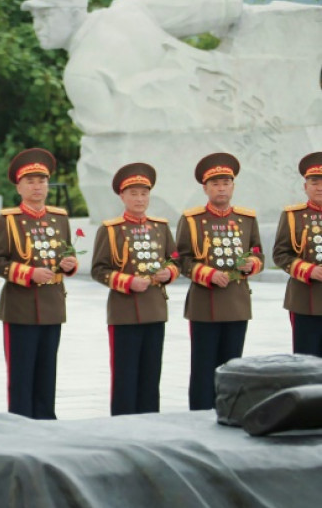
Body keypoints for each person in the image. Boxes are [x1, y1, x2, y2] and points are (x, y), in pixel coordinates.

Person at [20, 0, 244, 134]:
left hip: (200, 127)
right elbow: (204, 8)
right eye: (34, 18)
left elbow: (111, 149)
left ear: (76, 13)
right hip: (233, 95)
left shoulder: (81, 74)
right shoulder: (127, 9)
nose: (37, 27)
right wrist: (224, 0)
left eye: (45, 16)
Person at [0, 148, 78, 419]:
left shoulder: (59, 218)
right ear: (19, 186)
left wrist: (70, 264)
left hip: (52, 305)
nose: (37, 187)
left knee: (47, 371)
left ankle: (46, 421)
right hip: (21, 307)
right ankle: (20, 424)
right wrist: (28, 274)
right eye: (30, 181)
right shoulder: (8, 220)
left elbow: (66, 251)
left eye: (42, 181)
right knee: (21, 374)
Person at [176, 152, 263, 410]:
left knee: (234, 364)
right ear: (205, 188)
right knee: (203, 366)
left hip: (236, 302)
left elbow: (258, 252)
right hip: (206, 302)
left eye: (226, 183)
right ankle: (201, 413)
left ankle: (232, 411)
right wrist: (209, 274)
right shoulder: (192, 220)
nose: (221, 188)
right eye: (215, 184)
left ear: (233, 186)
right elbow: (182, 259)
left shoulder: (245, 218)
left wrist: (252, 265)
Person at [91, 164, 178, 415]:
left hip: (154, 308)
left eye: (144, 194)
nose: (140, 199)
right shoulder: (111, 229)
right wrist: (127, 282)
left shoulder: (160, 227)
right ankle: (122, 424)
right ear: (122, 196)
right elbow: (99, 269)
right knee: (125, 375)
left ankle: (150, 422)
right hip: (124, 311)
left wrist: (168, 273)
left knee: (151, 374)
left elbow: (174, 260)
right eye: (134, 194)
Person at [273, 151, 322, 356]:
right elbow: (281, 253)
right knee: (306, 361)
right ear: (305, 187)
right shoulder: (293, 216)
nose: (319, 187)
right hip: (305, 299)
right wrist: (308, 270)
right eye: (314, 182)